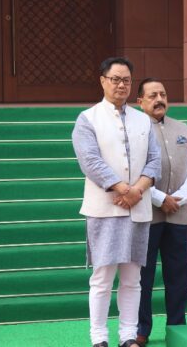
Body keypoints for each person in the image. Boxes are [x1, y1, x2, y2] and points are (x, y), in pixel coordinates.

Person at [72, 57, 161, 347]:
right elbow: (90, 161)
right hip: (105, 208)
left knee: (133, 278)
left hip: (138, 208)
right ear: (103, 81)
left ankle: (127, 336)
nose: (121, 85)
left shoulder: (142, 120)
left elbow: (155, 160)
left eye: (126, 80)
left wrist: (137, 190)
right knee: (102, 277)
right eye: (115, 79)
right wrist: (123, 188)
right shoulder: (88, 118)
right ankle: (99, 338)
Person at [136, 78, 187, 346]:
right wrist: (159, 198)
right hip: (146, 212)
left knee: (178, 275)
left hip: (180, 212)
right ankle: (141, 330)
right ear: (139, 101)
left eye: (162, 94)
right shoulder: (135, 130)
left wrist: (179, 197)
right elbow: (131, 172)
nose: (159, 99)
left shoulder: (183, 128)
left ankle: (177, 326)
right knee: (144, 276)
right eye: (152, 95)